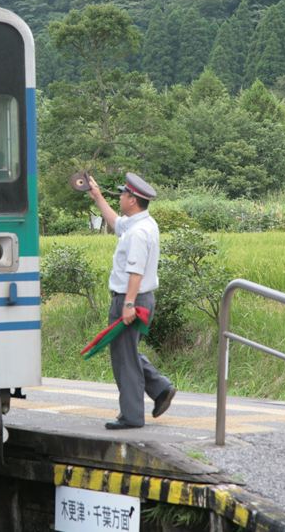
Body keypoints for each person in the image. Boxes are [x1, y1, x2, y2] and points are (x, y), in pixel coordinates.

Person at [87, 172, 177, 429]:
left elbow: (135, 272)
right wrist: (97, 196)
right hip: (139, 299)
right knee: (126, 351)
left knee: (124, 359)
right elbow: (116, 223)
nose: (120, 198)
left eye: (123, 194)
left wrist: (128, 304)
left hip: (131, 300)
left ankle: (132, 416)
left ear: (133, 200)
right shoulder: (142, 223)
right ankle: (160, 388)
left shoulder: (138, 232)